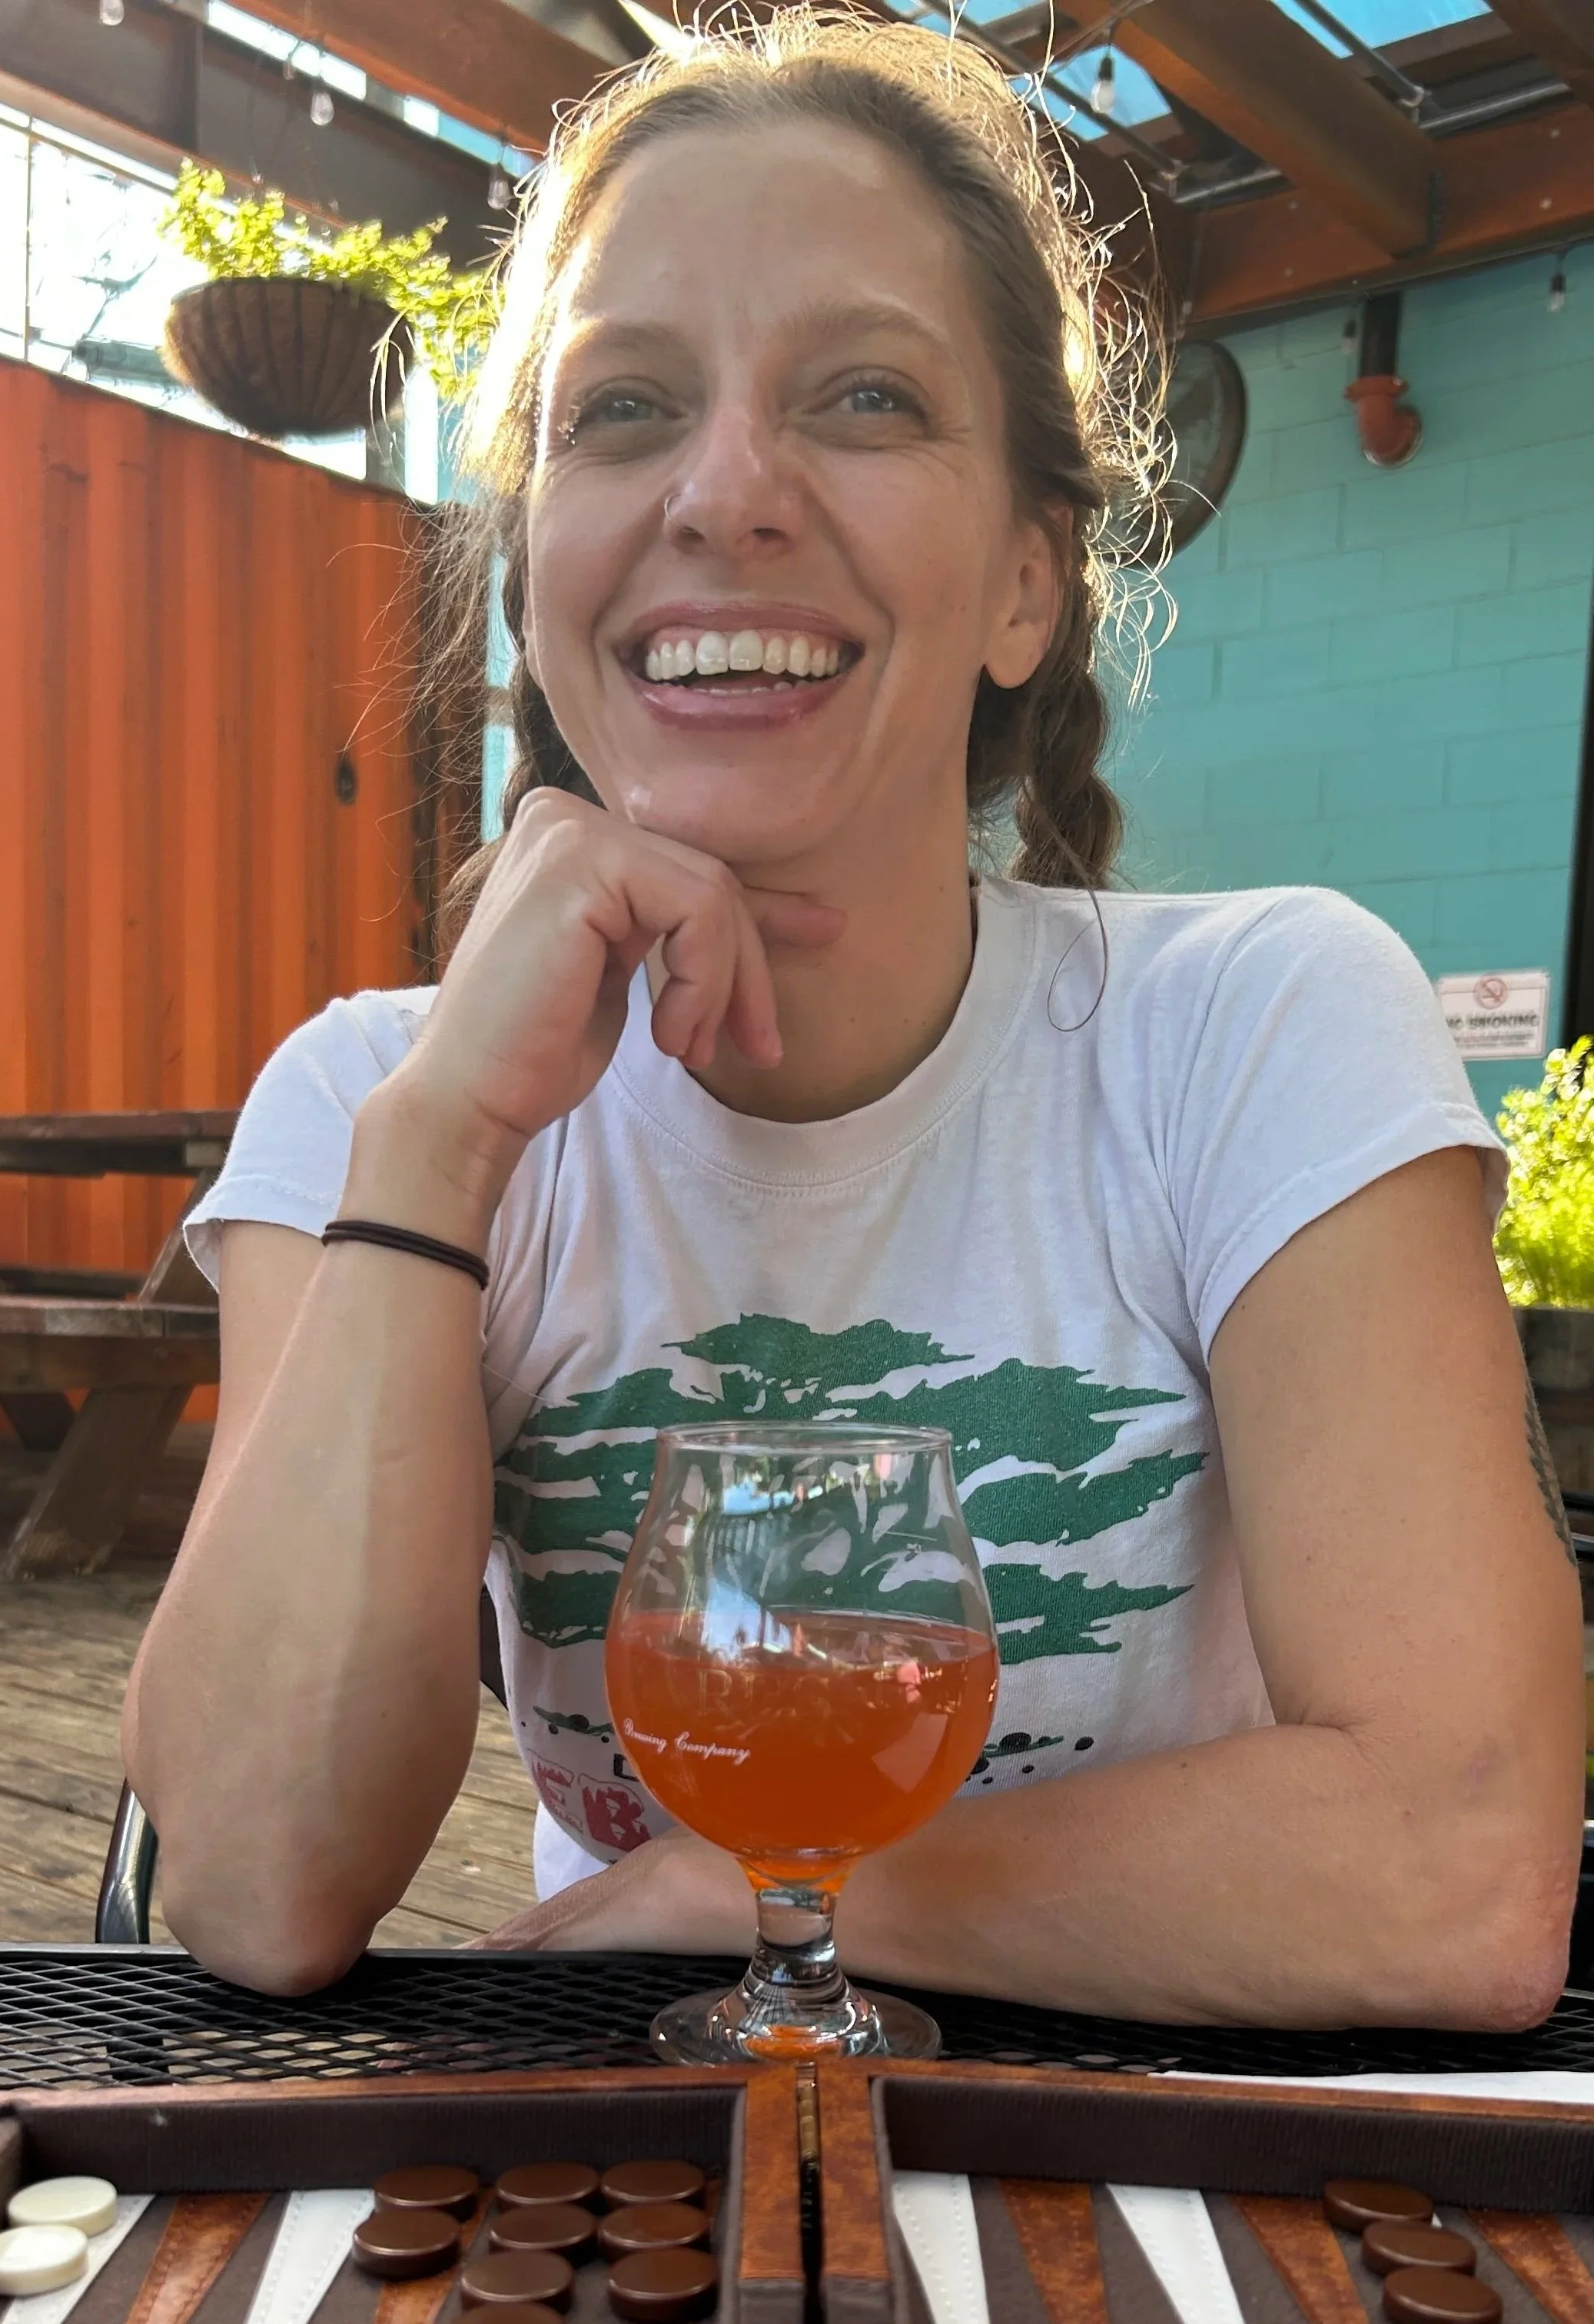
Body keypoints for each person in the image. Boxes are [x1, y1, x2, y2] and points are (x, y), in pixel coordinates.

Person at [123, 7, 1582, 2024]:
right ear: (540, 558)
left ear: (1021, 585)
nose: (724, 491)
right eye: (621, 408)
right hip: (644, 2177)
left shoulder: (1253, 1026)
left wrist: (764, 1897)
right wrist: (444, 1141)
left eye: (866, 396)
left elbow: (1453, 1877)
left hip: (1155, 2163)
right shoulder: (385, 1097)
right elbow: (262, 1884)